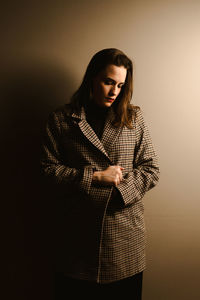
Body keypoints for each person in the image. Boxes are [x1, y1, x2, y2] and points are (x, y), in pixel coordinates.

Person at [40, 48, 160, 299]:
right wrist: (95, 176)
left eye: (120, 85)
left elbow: (151, 169)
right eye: (108, 82)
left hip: (124, 238)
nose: (114, 91)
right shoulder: (61, 120)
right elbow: (47, 171)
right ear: (92, 78)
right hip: (76, 239)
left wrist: (118, 191)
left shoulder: (133, 118)